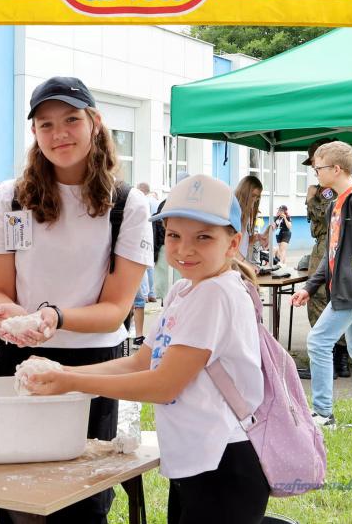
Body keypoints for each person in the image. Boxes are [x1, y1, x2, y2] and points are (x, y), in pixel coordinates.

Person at [26, 174, 269, 524]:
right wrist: (62, 372)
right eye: (174, 235)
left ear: (233, 244)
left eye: (203, 237)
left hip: (224, 463)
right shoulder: (183, 291)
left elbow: (163, 385)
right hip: (196, 461)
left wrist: (71, 383)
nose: (184, 249)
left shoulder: (216, 294)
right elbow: (140, 362)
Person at [0, 76, 153, 523]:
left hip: (92, 367)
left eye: (71, 120)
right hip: (18, 358)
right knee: (16, 496)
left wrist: (55, 317)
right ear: (34, 133)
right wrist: (8, 313)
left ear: (95, 122)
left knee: (82, 500)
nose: (59, 134)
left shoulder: (126, 204)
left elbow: (115, 310)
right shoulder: (13, 197)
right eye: (46, 124)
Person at [291, 141, 352, 428]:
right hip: (349, 288)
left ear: (336, 169)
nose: (316, 173)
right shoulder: (337, 203)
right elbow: (332, 252)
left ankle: (323, 413)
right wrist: (309, 287)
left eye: (318, 168)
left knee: (318, 342)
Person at [298, 139, 349, 380]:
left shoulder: (328, 190)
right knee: (335, 302)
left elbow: (324, 213)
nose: (313, 169)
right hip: (334, 246)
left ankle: (329, 363)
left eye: (315, 165)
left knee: (319, 301)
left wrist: (310, 198)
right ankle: (340, 362)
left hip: (327, 246)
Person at [136, 182, 158, 302]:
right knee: (150, 267)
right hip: (153, 236)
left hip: (143, 235)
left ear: (140, 190)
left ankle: (144, 294)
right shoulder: (155, 202)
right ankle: (152, 293)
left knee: (143, 265)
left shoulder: (142, 200)